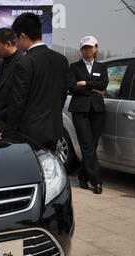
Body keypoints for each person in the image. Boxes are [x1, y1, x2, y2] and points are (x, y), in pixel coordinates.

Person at [2, 13, 69, 153]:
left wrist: (8, 133)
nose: (17, 43)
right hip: (54, 129)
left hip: (29, 134)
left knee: (31, 172)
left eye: (16, 39)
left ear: (23, 36)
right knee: (49, 169)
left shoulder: (24, 63)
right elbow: (62, 96)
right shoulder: (61, 60)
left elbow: (18, 102)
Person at [68, 36, 108, 195]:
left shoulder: (102, 67)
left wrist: (84, 83)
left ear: (96, 48)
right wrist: (93, 88)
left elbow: (103, 84)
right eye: (84, 48)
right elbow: (71, 87)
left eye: (90, 47)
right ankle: (96, 181)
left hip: (97, 111)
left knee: (92, 146)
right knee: (87, 145)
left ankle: (83, 176)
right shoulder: (74, 67)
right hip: (80, 110)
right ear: (81, 50)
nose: (87, 50)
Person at [0, 28, 23, 133]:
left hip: (11, 128)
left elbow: (20, 100)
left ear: (8, 44)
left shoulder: (22, 64)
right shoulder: (3, 61)